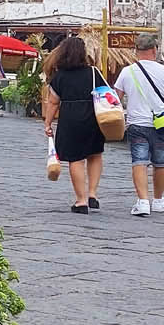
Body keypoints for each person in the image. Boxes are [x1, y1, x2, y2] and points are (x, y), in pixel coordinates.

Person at [115, 36, 164, 217]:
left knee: (139, 162)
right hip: (161, 124)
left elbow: (115, 100)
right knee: (160, 164)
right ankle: (159, 201)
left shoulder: (127, 72)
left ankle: (143, 202)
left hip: (136, 124)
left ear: (136, 50)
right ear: (154, 50)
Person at [42, 36, 106, 214]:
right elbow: (106, 93)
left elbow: (53, 103)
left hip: (70, 118)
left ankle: (81, 200)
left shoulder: (59, 76)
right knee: (95, 155)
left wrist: (48, 124)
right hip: (94, 116)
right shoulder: (93, 73)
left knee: (75, 159)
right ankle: (92, 194)